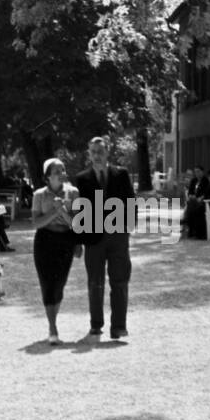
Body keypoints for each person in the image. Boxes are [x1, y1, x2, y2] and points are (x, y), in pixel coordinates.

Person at [75, 136, 135, 340]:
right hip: (93, 239)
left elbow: (130, 202)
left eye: (100, 151)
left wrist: (128, 228)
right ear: (89, 153)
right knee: (95, 282)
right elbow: (80, 211)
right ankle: (96, 324)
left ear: (108, 151)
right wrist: (77, 241)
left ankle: (119, 326)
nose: (97, 155)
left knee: (120, 281)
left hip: (118, 236)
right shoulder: (82, 179)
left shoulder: (121, 174)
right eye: (93, 152)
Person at [32, 157, 80, 344]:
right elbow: (36, 222)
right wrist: (54, 211)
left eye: (63, 170)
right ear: (48, 177)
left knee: (60, 283)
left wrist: (78, 243)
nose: (61, 174)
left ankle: (53, 320)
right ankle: (52, 326)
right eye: (57, 172)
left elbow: (76, 223)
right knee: (46, 283)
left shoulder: (74, 193)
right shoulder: (39, 195)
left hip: (65, 239)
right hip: (44, 240)